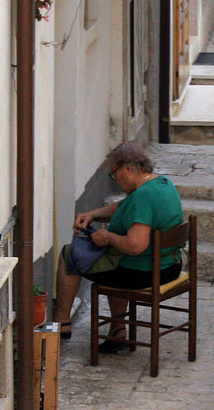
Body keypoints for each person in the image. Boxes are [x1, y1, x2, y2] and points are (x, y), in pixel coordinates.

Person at [53, 141, 184, 352]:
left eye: (114, 174)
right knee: (111, 261)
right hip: (170, 265)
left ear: (128, 169)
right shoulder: (161, 184)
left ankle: (62, 322)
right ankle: (117, 330)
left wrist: (107, 237)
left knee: (70, 254)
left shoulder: (143, 196)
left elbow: (135, 245)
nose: (116, 180)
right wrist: (93, 214)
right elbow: (124, 206)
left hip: (145, 271)